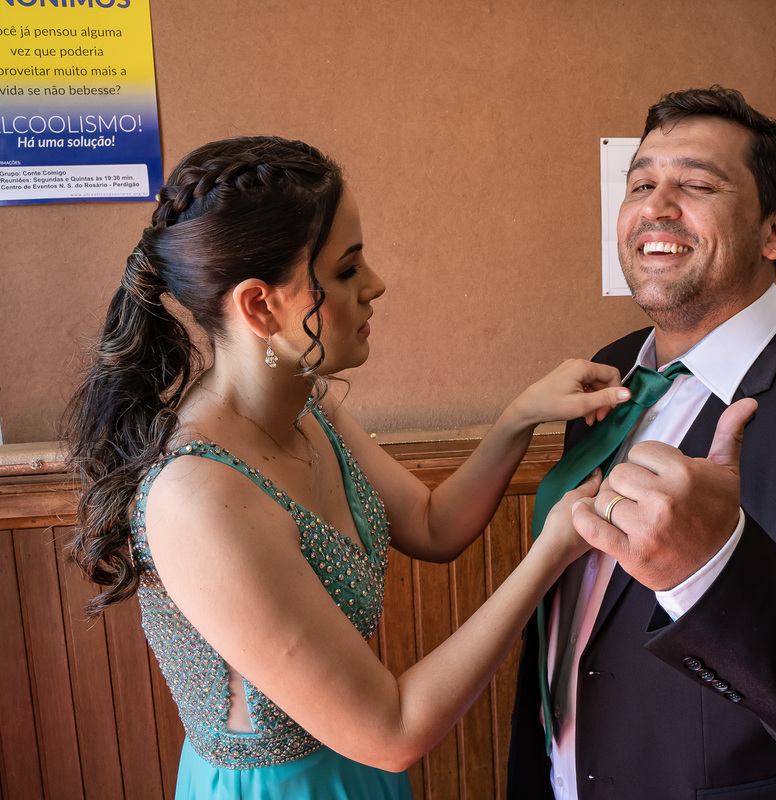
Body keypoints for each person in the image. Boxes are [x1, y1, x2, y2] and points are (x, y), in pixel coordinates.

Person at [66, 136, 632, 799]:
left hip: (358, 764)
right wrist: (552, 551)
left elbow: (433, 525)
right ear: (258, 305)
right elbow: (393, 730)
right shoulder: (197, 496)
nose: (376, 285)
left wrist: (520, 416)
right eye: (346, 270)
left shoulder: (312, 405)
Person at [507, 86, 776, 800]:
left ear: (774, 232)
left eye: (697, 185)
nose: (656, 206)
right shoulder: (611, 372)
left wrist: (714, 572)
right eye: (641, 184)